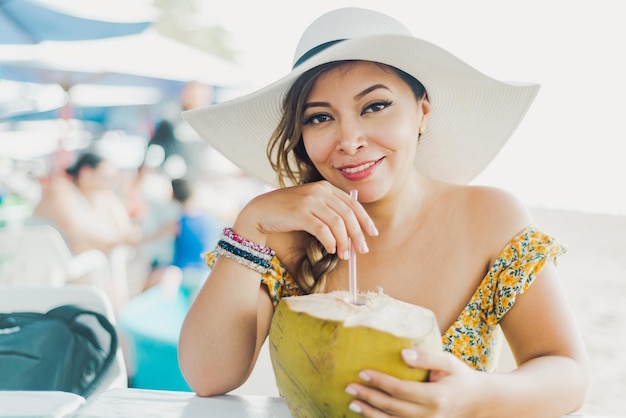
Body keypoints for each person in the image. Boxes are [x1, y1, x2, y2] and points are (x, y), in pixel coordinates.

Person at [178, 7, 588, 417]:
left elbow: (567, 374)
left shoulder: (490, 217)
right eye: (320, 117)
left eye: (374, 106)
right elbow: (208, 377)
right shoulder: (284, 236)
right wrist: (251, 222)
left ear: (422, 112)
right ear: (302, 136)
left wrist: (476, 396)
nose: (350, 140)